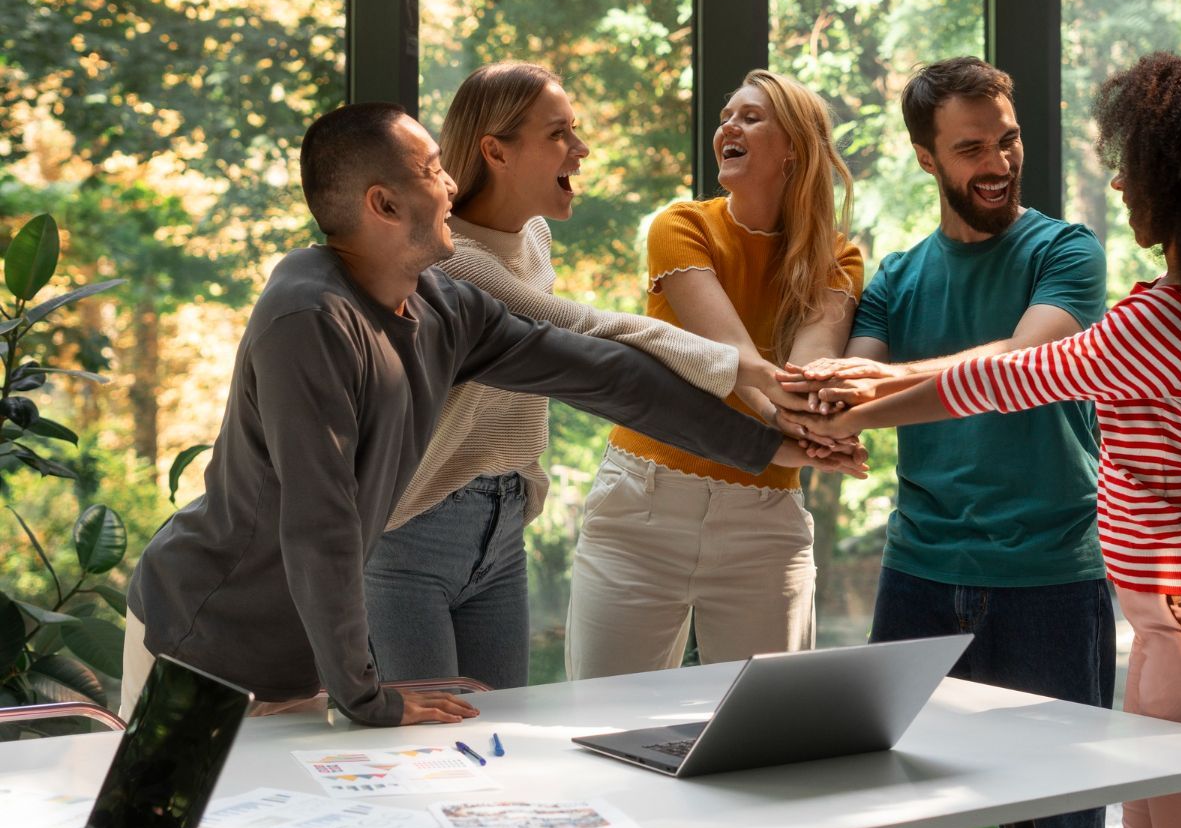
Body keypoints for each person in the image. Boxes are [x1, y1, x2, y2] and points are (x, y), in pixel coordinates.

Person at [122, 101, 863, 728]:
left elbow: (606, 375)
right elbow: (319, 521)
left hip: (304, 656)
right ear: (382, 205)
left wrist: (769, 446)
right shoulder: (307, 317)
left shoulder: (444, 305)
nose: (451, 186)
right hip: (202, 640)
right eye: (431, 172)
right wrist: (367, 698)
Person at [786, 51, 1181, 828]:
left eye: (1138, 172)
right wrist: (858, 389)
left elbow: (1014, 375)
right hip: (1176, 624)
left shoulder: (1162, 322)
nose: (1120, 187)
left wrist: (880, 381)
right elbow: (1003, 373)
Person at [777, 56, 1113, 828]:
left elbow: (1021, 372)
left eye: (1008, 140)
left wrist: (879, 382)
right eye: (971, 149)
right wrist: (831, 400)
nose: (998, 164)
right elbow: (855, 397)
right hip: (919, 576)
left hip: (1051, 581)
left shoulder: (1067, 253)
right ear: (927, 157)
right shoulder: (896, 278)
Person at [366, 63, 794, 690]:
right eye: (559, 134)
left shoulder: (533, 234)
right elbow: (588, 335)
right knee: (424, 752)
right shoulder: (457, 265)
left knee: (497, 743)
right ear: (496, 151)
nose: (581, 149)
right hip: (414, 531)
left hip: (502, 523)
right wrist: (745, 368)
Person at [563, 69, 864, 679]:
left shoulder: (839, 258)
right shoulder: (681, 226)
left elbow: (804, 373)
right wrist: (804, 433)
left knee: (769, 733)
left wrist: (804, 426)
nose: (727, 126)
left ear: (795, 151)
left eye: (751, 117)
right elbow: (726, 361)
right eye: (727, 116)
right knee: (602, 719)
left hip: (765, 516)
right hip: (645, 503)